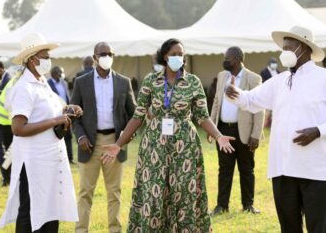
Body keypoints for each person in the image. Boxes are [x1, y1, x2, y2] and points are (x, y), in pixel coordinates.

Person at [102, 38, 235, 232]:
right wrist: (118, 144)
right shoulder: (151, 81)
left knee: (184, 193)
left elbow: (202, 116)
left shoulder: (192, 82)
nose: (178, 58)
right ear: (165, 56)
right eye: (173, 54)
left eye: (180, 54)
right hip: (155, 145)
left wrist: (218, 135)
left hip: (185, 147)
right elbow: (138, 117)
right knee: (154, 195)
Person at [226, 26, 326, 233]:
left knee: (320, 228)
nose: (284, 52)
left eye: (289, 47)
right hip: (283, 167)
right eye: (284, 47)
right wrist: (234, 93)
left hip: (316, 168)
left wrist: (317, 131)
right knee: (289, 228)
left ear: (305, 48)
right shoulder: (278, 82)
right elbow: (251, 100)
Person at [0, 33, 81, 232]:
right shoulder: (24, 88)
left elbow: (48, 112)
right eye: (45, 56)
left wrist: (68, 110)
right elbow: (18, 128)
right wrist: (54, 120)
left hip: (50, 158)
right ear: (33, 59)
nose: (48, 60)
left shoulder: (42, 83)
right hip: (33, 161)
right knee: (31, 212)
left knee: (50, 209)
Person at [71, 42, 136, 233]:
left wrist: (125, 138)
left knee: (114, 192)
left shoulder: (124, 82)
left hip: (115, 142)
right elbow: (73, 115)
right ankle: (81, 230)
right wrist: (81, 136)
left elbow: (134, 114)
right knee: (85, 192)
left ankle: (115, 229)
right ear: (95, 57)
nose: (107, 57)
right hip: (89, 143)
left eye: (110, 54)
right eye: (103, 54)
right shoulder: (81, 82)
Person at [210, 47, 264, 216]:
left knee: (246, 169)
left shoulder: (253, 78)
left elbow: (259, 108)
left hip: (245, 132)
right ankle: (221, 205)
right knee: (224, 170)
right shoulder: (221, 76)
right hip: (223, 130)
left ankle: (248, 205)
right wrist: (212, 127)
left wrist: (255, 135)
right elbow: (217, 102)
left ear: (238, 58)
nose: (225, 61)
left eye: (228, 58)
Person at [48, 66, 75, 164]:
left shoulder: (64, 83)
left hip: (66, 114)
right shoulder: (48, 84)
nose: (62, 75)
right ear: (54, 73)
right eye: (60, 72)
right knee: (56, 136)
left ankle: (70, 158)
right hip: (55, 116)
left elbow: (67, 98)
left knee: (68, 136)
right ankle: (57, 158)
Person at [0, 60, 12, 186]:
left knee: (3, 150)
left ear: (0, 69)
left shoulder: (7, 79)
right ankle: (7, 177)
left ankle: (8, 177)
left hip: (6, 123)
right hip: (2, 122)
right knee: (3, 150)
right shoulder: (4, 79)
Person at [260, 57, 280, 128]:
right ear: (269, 64)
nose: (274, 65)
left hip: (277, 94)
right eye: (272, 63)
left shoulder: (278, 72)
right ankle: (264, 125)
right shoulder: (263, 72)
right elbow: (262, 83)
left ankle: (273, 125)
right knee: (266, 112)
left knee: (276, 111)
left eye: (275, 63)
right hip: (267, 94)